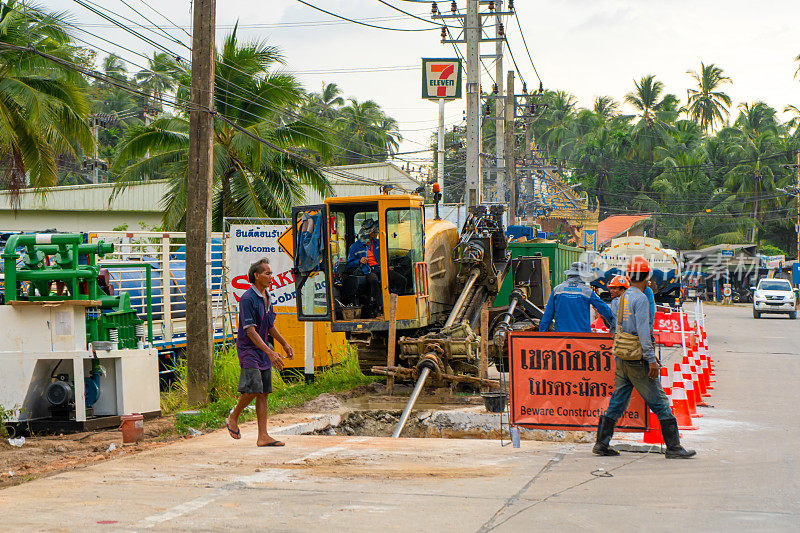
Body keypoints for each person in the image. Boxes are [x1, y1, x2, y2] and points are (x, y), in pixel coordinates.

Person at [593, 256, 696, 459]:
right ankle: (674, 447)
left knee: (618, 400)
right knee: (659, 401)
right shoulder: (640, 298)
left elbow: (618, 325)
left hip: (621, 354)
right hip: (636, 358)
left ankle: (601, 443)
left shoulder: (623, 297)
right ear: (646, 276)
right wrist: (650, 359)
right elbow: (642, 332)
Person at [227, 258, 294, 447]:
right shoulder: (247, 299)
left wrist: (284, 344)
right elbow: (250, 331)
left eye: (271, 273)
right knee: (253, 387)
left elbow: (270, 326)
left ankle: (263, 436)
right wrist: (271, 353)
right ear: (256, 276)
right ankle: (233, 416)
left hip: (263, 348)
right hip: (249, 349)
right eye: (267, 273)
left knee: (264, 392)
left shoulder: (268, 297)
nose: (271, 277)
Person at [344, 218, 406, 315]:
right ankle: (380, 306)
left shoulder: (378, 243)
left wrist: (387, 266)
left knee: (402, 280)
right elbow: (349, 264)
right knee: (373, 280)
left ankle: (393, 301)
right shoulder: (355, 247)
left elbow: (385, 256)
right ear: (369, 233)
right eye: (374, 231)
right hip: (367, 270)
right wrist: (359, 261)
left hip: (380, 268)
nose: (377, 232)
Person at [539, 261, 615, 333]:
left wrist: (542, 334)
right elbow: (603, 308)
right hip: (582, 337)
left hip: (561, 336)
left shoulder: (557, 290)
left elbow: (548, 314)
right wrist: (614, 323)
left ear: (569, 275)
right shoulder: (587, 291)